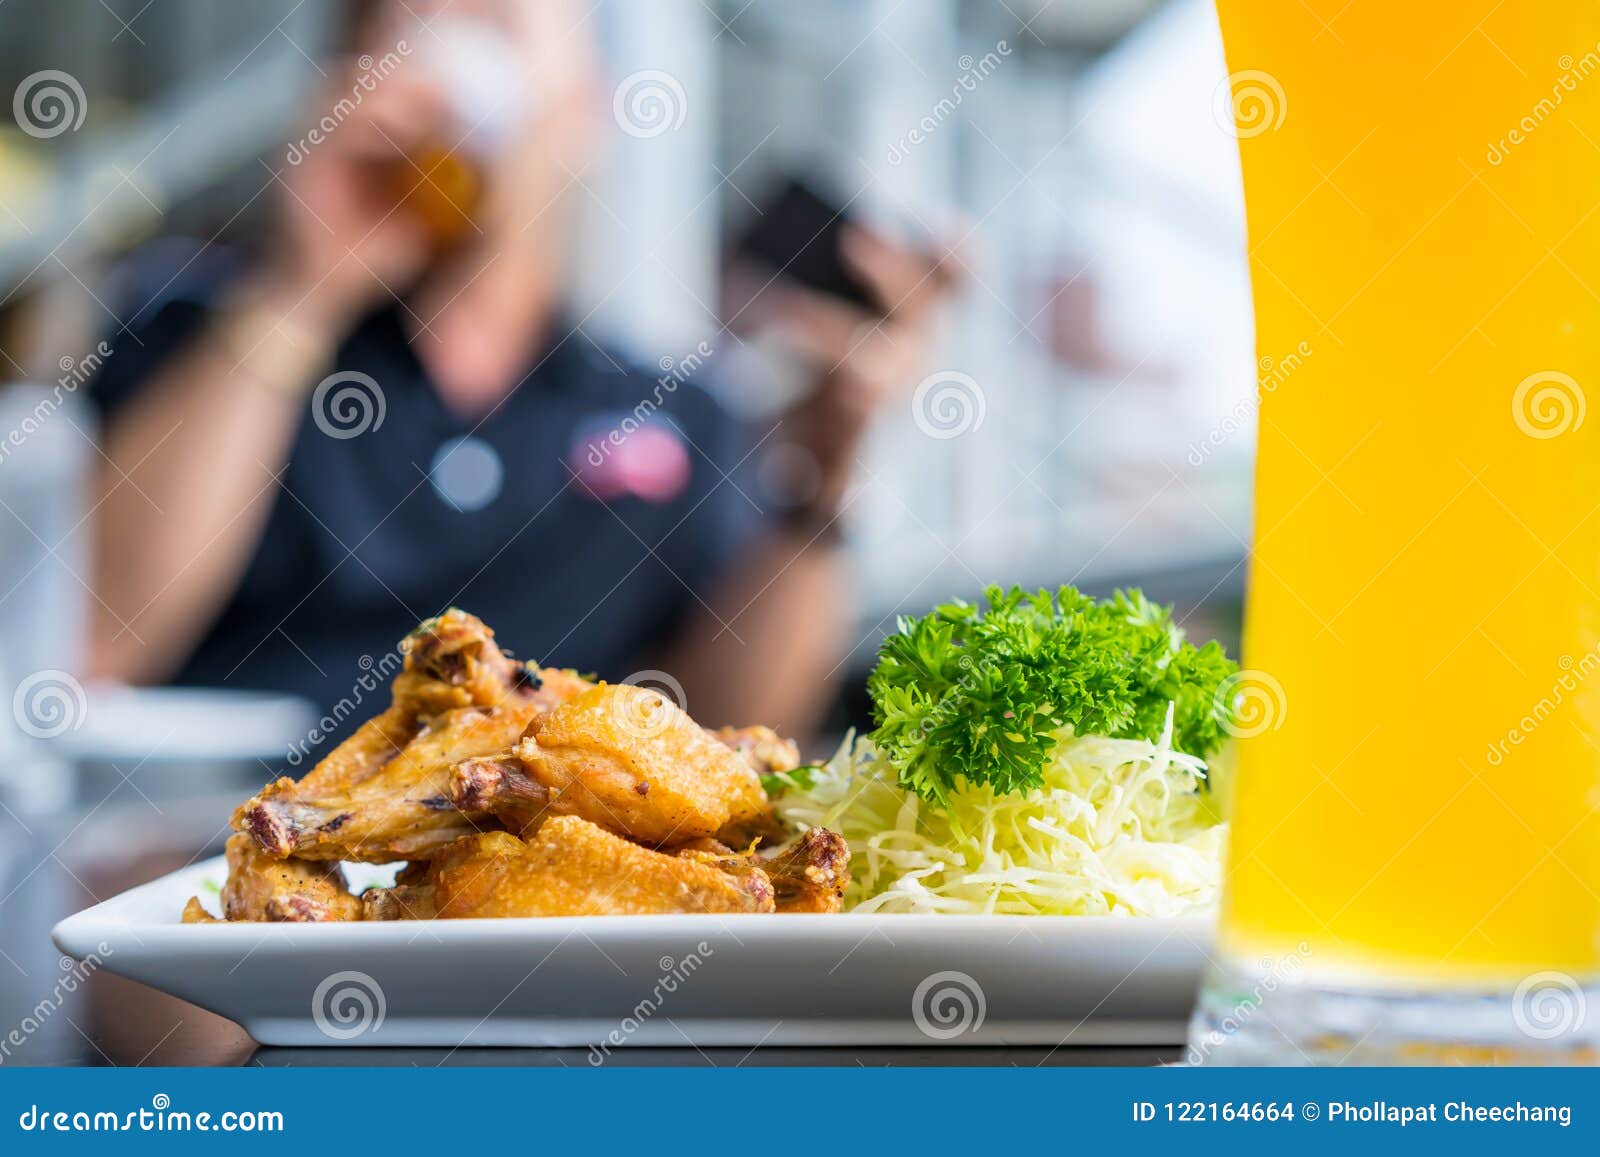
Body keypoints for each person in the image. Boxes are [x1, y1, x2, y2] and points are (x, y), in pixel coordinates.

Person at [84, 0, 952, 744]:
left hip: (526, 877)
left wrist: (824, 476)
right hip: (227, 861)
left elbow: (728, 731)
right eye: (408, 31)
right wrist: (298, 293)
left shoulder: (670, 413)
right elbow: (98, 640)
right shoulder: (205, 337)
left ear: (585, 109)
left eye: (493, 26)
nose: (443, 69)